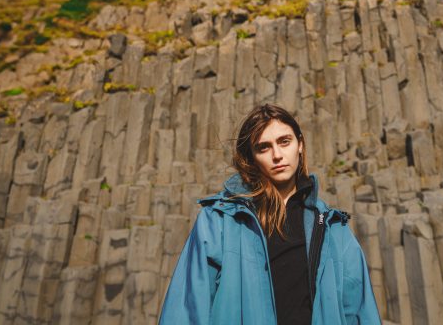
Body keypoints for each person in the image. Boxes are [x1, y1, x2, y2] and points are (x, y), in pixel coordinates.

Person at [159, 103, 381, 324]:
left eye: (285, 142)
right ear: (252, 157)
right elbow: (185, 311)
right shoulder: (219, 221)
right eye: (263, 147)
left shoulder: (333, 228)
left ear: (300, 145)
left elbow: (359, 310)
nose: (277, 155)